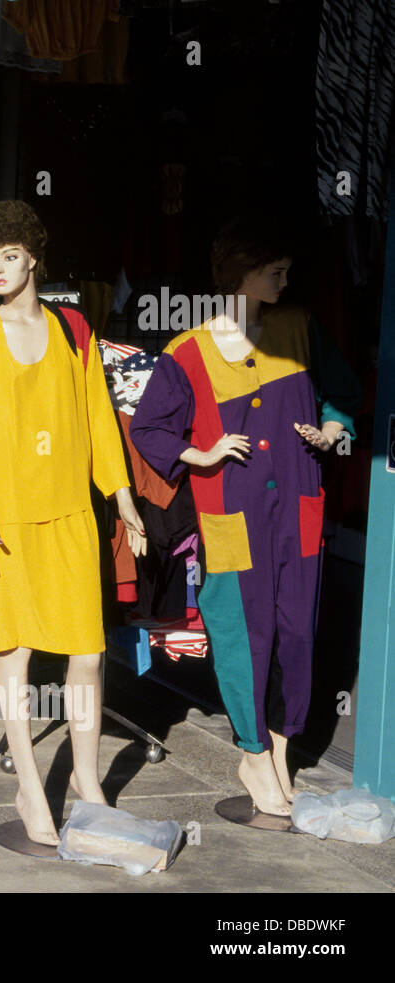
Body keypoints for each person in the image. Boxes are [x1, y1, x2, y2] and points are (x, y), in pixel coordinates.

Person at [130, 217, 361, 817]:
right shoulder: (189, 352)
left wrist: (333, 428)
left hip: (300, 510)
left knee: (298, 631)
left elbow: (342, 394)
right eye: (273, 271)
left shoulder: (300, 328)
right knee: (242, 630)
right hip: (230, 512)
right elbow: (149, 427)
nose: (285, 280)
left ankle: (282, 750)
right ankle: (253, 752)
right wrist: (200, 453)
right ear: (240, 277)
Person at [0, 200, 147, 847]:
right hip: (6, 524)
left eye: (9, 255)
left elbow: (98, 418)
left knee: (87, 653)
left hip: (72, 517)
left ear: (33, 256)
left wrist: (125, 498)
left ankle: (87, 779)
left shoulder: (74, 330)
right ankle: (30, 783)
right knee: (16, 654)